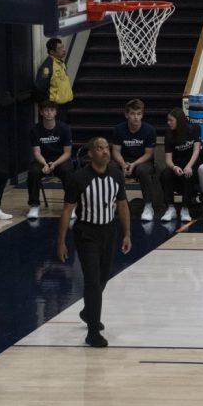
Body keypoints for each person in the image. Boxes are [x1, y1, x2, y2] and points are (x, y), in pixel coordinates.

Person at [57, 136, 132, 348]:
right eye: (99, 148)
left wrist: (127, 233)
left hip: (109, 231)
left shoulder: (117, 174)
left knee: (104, 277)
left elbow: (123, 205)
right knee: (92, 280)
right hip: (86, 233)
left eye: (107, 148)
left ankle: (87, 311)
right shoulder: (78, 178)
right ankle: (92, 332)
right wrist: (61, 242)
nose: (105, 152)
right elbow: (67, 210)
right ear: (90, 153)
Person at [111, 99, 162, 222]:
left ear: (142, 115)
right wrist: (123, 164)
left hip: (142, 162)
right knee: (111, 169)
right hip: (124, 161)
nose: (136, 117)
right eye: (133, 114)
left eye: (139, 114)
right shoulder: (119, 129)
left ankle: (148, 206)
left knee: (143, 170)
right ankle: (120, 203)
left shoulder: (149, 130)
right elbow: (116, 151)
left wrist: (134, 164)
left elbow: (149, 154)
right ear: (126, 114)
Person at [27, 101, 74, 220]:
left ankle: (69, 205)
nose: (49, 113)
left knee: (67, 171)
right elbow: (36, 152)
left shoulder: (64, 128)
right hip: (43, 159)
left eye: (51, 110)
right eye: (46, 110)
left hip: (60, 159)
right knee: (33, 172)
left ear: (56, 112)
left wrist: (55, 163)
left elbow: (67, 152)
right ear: (41, 112)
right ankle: (34, 205)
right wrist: (44, 164)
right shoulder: (35, 130)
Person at [159, 108, 201, 224]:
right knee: (165, 174)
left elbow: (196, 150)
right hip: (177, 165)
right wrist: (174, 167)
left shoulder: (194, 129)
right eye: (168, 120)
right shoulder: (169, 134)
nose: (168, 123)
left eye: (171, 120)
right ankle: (170, 208)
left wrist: (189, 166)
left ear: (179, 120)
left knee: (189, 174)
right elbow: (168, 159)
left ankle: (185, 208)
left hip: (191, 163)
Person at [33, 37, 73, 119]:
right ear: (52, 52)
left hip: (64, 105)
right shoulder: (48, 66)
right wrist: (49, 106)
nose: (64, 50)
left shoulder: (60, 63)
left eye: (63, 47)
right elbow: (39, 87)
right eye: (60, 48)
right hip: (55, 107)